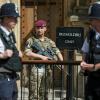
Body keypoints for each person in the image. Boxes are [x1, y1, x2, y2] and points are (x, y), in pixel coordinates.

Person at [24, 19, 63, 100]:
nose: (39, 29)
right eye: (37, 27)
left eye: (41, 27)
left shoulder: (49, 41)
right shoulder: (31, 40)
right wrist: (41, 57)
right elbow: (27, 53)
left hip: (47, 69)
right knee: (34, 93)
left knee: (45, 92)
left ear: (45, 29)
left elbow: (57, 51)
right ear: (35, 29)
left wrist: (61, 62)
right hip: (36, 69)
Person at [0, 3, 22, 100]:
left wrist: (17, 53)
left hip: (11, 77)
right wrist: (2, 55)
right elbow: (4, 54)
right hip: (2, 78)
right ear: (5, 18)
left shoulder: (9, 34)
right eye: (13, 17)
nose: (16, 21)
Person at [80, 2, 100, 100]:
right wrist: (83, 62)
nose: (90, 21)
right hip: (92, 79)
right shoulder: (91, 33)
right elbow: (85, 50)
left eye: (92, 18)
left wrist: (95, 66)